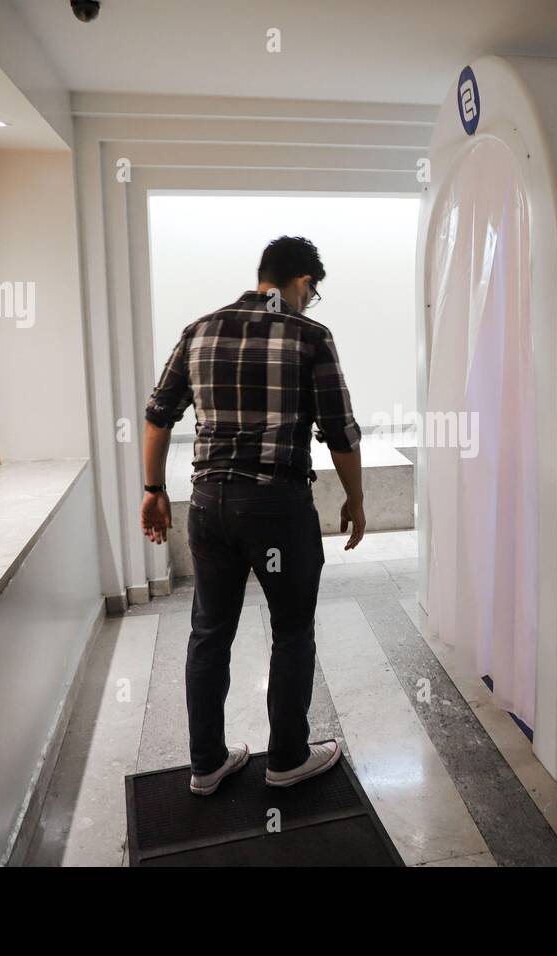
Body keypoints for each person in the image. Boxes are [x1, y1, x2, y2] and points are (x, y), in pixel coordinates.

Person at [140, 235, 364, 796]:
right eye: (312, 294)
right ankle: (286, 758)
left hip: (209, 502)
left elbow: (158, 414)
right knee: (291, 630)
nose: (310, 304)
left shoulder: (200, 330)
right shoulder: (309, 336)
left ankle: (206, 764)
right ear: (303, 284)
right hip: (275, 506)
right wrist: (356, 499)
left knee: (209, 632)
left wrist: (152, 490)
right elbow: (339, 429)